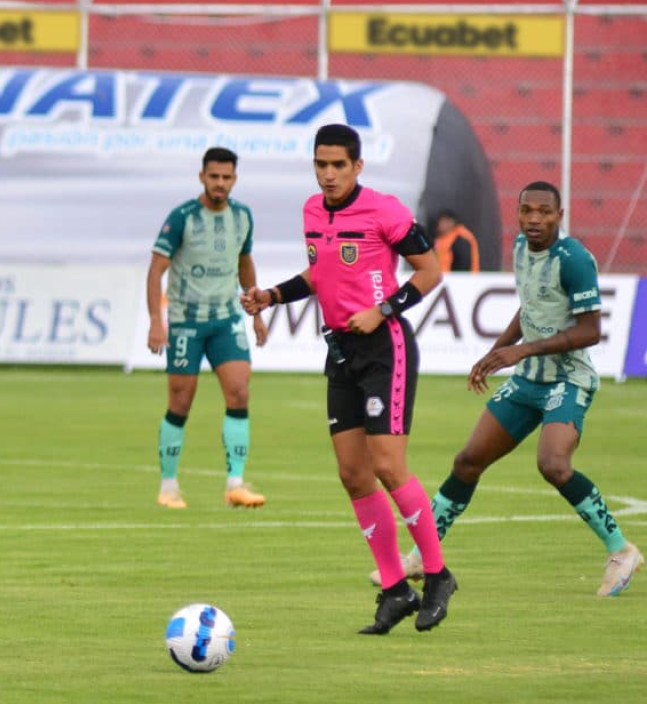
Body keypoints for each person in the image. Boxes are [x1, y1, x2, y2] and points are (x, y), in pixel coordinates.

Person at [371, 181, 643, 596]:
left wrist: (521, 351)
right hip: (528, 378)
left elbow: (591, 330)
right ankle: (422, 558)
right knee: (467, 462)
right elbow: (530, 306)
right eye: (527, 211)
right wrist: (496, 352)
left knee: (553, 464)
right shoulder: (520, 248)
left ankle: (621, 550)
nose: (534, 219)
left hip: (569, 379)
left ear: (560, 216)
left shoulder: (573, 260)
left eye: (544, 212)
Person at [241, 124, 456, 635]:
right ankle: (394, 589)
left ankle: (437, 574)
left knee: (387, 465)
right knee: (352, 474)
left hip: (386, 347)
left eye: (339, 165)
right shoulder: (312, 211)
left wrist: (382, 311)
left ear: (358, 166)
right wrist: (271, 296)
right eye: (321, 164)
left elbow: (429, 271)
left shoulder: (385, 210)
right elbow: (320, 274)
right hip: (340, 351)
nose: (329, 173)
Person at [147, 147, 269, 510]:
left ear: (234, 179)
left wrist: (256, 310)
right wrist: (157, 320)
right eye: (213, 176)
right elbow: (156, 270)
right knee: (181, 402)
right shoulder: (182, 217)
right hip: (186, 322)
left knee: (239, 393)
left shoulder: (243, 216)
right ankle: (168, 486)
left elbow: (245, 263)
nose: (220, 183)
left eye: (226, 177)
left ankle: (235, 483)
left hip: (226, 319)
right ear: (202, 177)